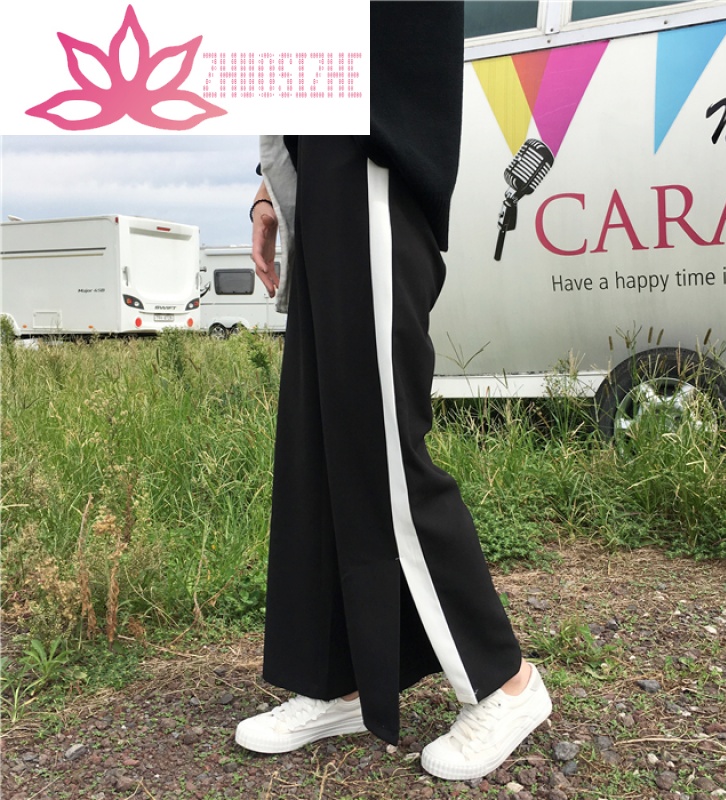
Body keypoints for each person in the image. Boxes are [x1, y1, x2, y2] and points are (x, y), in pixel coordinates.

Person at [235, 1, 552, 781]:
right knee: (319, 444)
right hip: (320, 149)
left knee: (378, 442)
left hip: (372, 136)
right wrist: (274, 183)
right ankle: (340, 680)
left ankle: (504, 681)